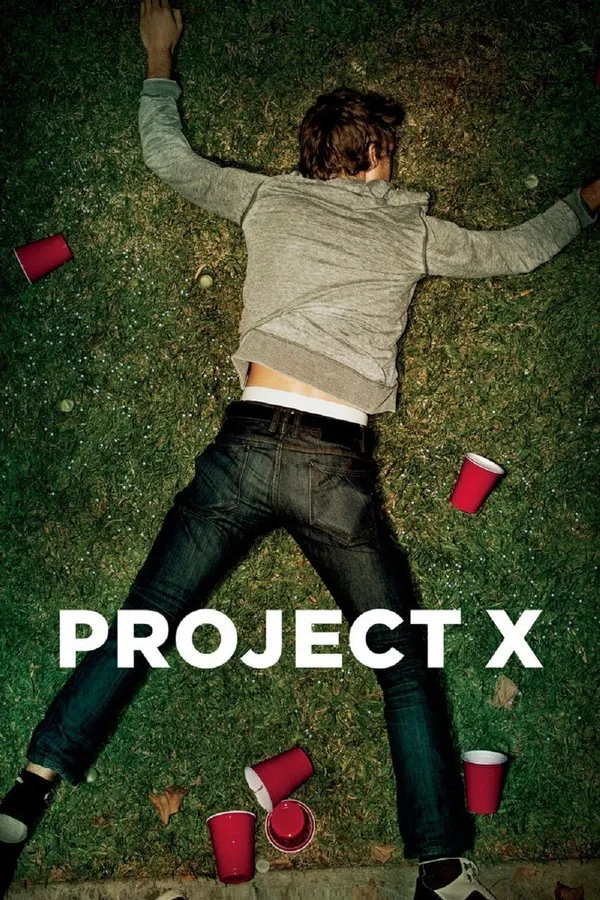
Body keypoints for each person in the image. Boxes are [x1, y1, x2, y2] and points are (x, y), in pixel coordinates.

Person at [1, 2, 598, 898]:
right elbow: (515, 252)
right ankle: (440, 868)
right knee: (403, 668)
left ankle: (27, 791)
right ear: (375, 156)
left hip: (244, 447)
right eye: (391, 151)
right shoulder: (407, 228)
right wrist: (586, 203)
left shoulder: (267, 197)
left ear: (313, 157)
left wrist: (160, 56)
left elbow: (168, 158)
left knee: (144, 621)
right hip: (332, 466)